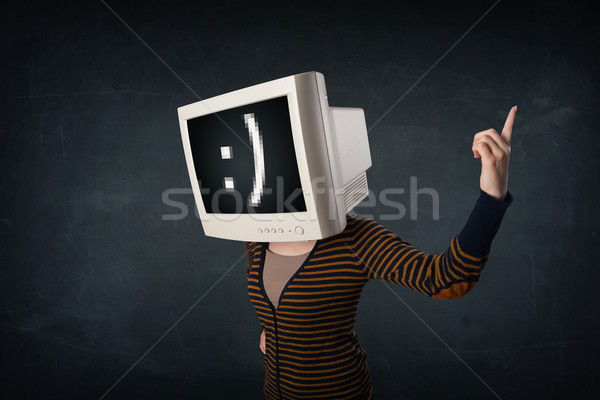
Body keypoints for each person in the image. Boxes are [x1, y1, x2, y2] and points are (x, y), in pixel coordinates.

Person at [245, 106, 517, 399]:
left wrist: (492, 197)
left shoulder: (358, 239)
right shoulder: (257, 236)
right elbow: (274, 295)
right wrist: (275, 329)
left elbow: (446, 279)